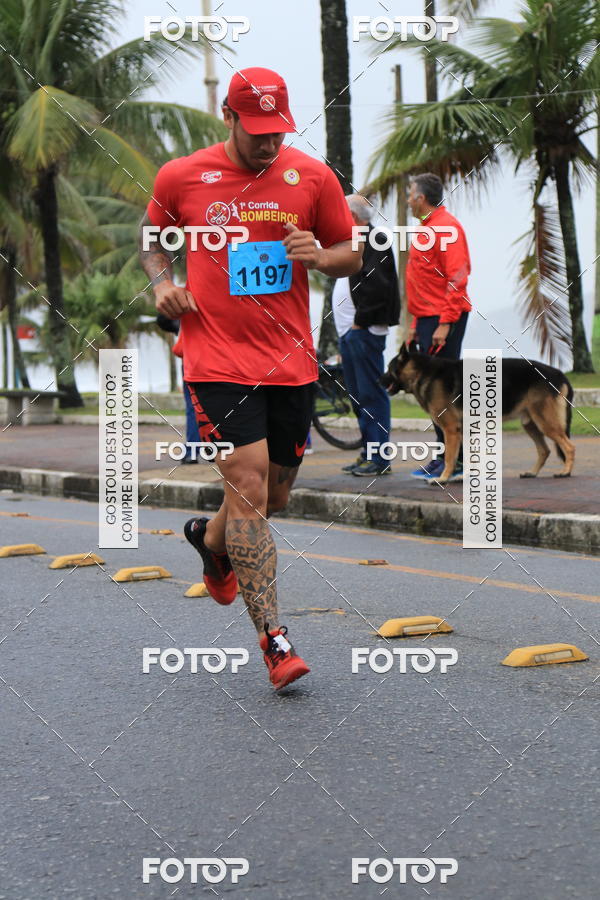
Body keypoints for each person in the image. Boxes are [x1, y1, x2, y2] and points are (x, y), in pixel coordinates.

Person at [139, 67, 362, 690]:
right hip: (213, 356)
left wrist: (321, 256)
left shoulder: (311, 178)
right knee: (246, 481)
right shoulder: (182, 175)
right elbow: (155, 239)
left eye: (278, 132)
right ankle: (273, 639)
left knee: (275, 496)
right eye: (257, 131)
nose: (269, 144)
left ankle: (210, 543)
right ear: (229, 118)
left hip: (288, 360)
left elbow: (352, 252)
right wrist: (164, 285)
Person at [405, 173, 471, 483]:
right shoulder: (426, 229)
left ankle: (454, 461)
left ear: (421, 198)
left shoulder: (446, 227)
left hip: (444, 318)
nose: (407, 199)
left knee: (443, 392)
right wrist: (415, 325)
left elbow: (457, 278)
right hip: (427, 319)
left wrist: (445, 323)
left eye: (410, 194)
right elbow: (422, 283)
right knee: (433, 392)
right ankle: (445, 456)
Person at [332, 195, 400, 476]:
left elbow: (378, 287)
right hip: (350, 333)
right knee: (358, 395)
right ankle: (368, 452)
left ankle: (380, 458)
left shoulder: (375, 240)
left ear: (353, 216)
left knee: (371, 394)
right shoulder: (353, 241)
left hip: (365, 331)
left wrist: (360, 322)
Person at [155, 314, 200, 464]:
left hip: (191, 361)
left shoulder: (185, 300)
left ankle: (192, 451)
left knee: (193, 409)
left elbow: (162, 319)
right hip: (219, 359)